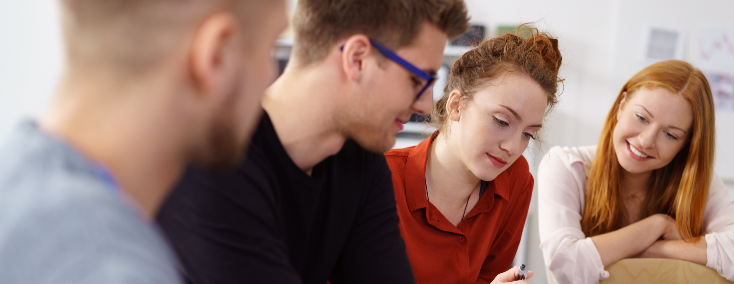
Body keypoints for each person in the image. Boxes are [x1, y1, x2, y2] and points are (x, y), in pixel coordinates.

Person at [155, 0, 470, 283]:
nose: (425, 105)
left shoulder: (362, 162)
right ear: (357, 59)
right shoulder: (216, 162)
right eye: (417, 80)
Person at [0, 0, 287, 283]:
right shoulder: (115, 270)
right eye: (269, 48)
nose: (270, 76)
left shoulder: (17, 186)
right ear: (216, 57)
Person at [537, 60, 734, 284]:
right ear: (621, 106)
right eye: (642, 118)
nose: (646, 141)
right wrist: (657, 226)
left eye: (670, 135)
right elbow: (565, 267)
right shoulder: (565, 166)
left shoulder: (695, 180)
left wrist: (654, 249)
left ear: (686, 144)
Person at [385, 28, 563, 284]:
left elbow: (489, 276)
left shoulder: (516, 179)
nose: (513, 147)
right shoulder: (379, 179)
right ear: (456, 106)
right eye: (502, 121)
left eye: (528, 134)